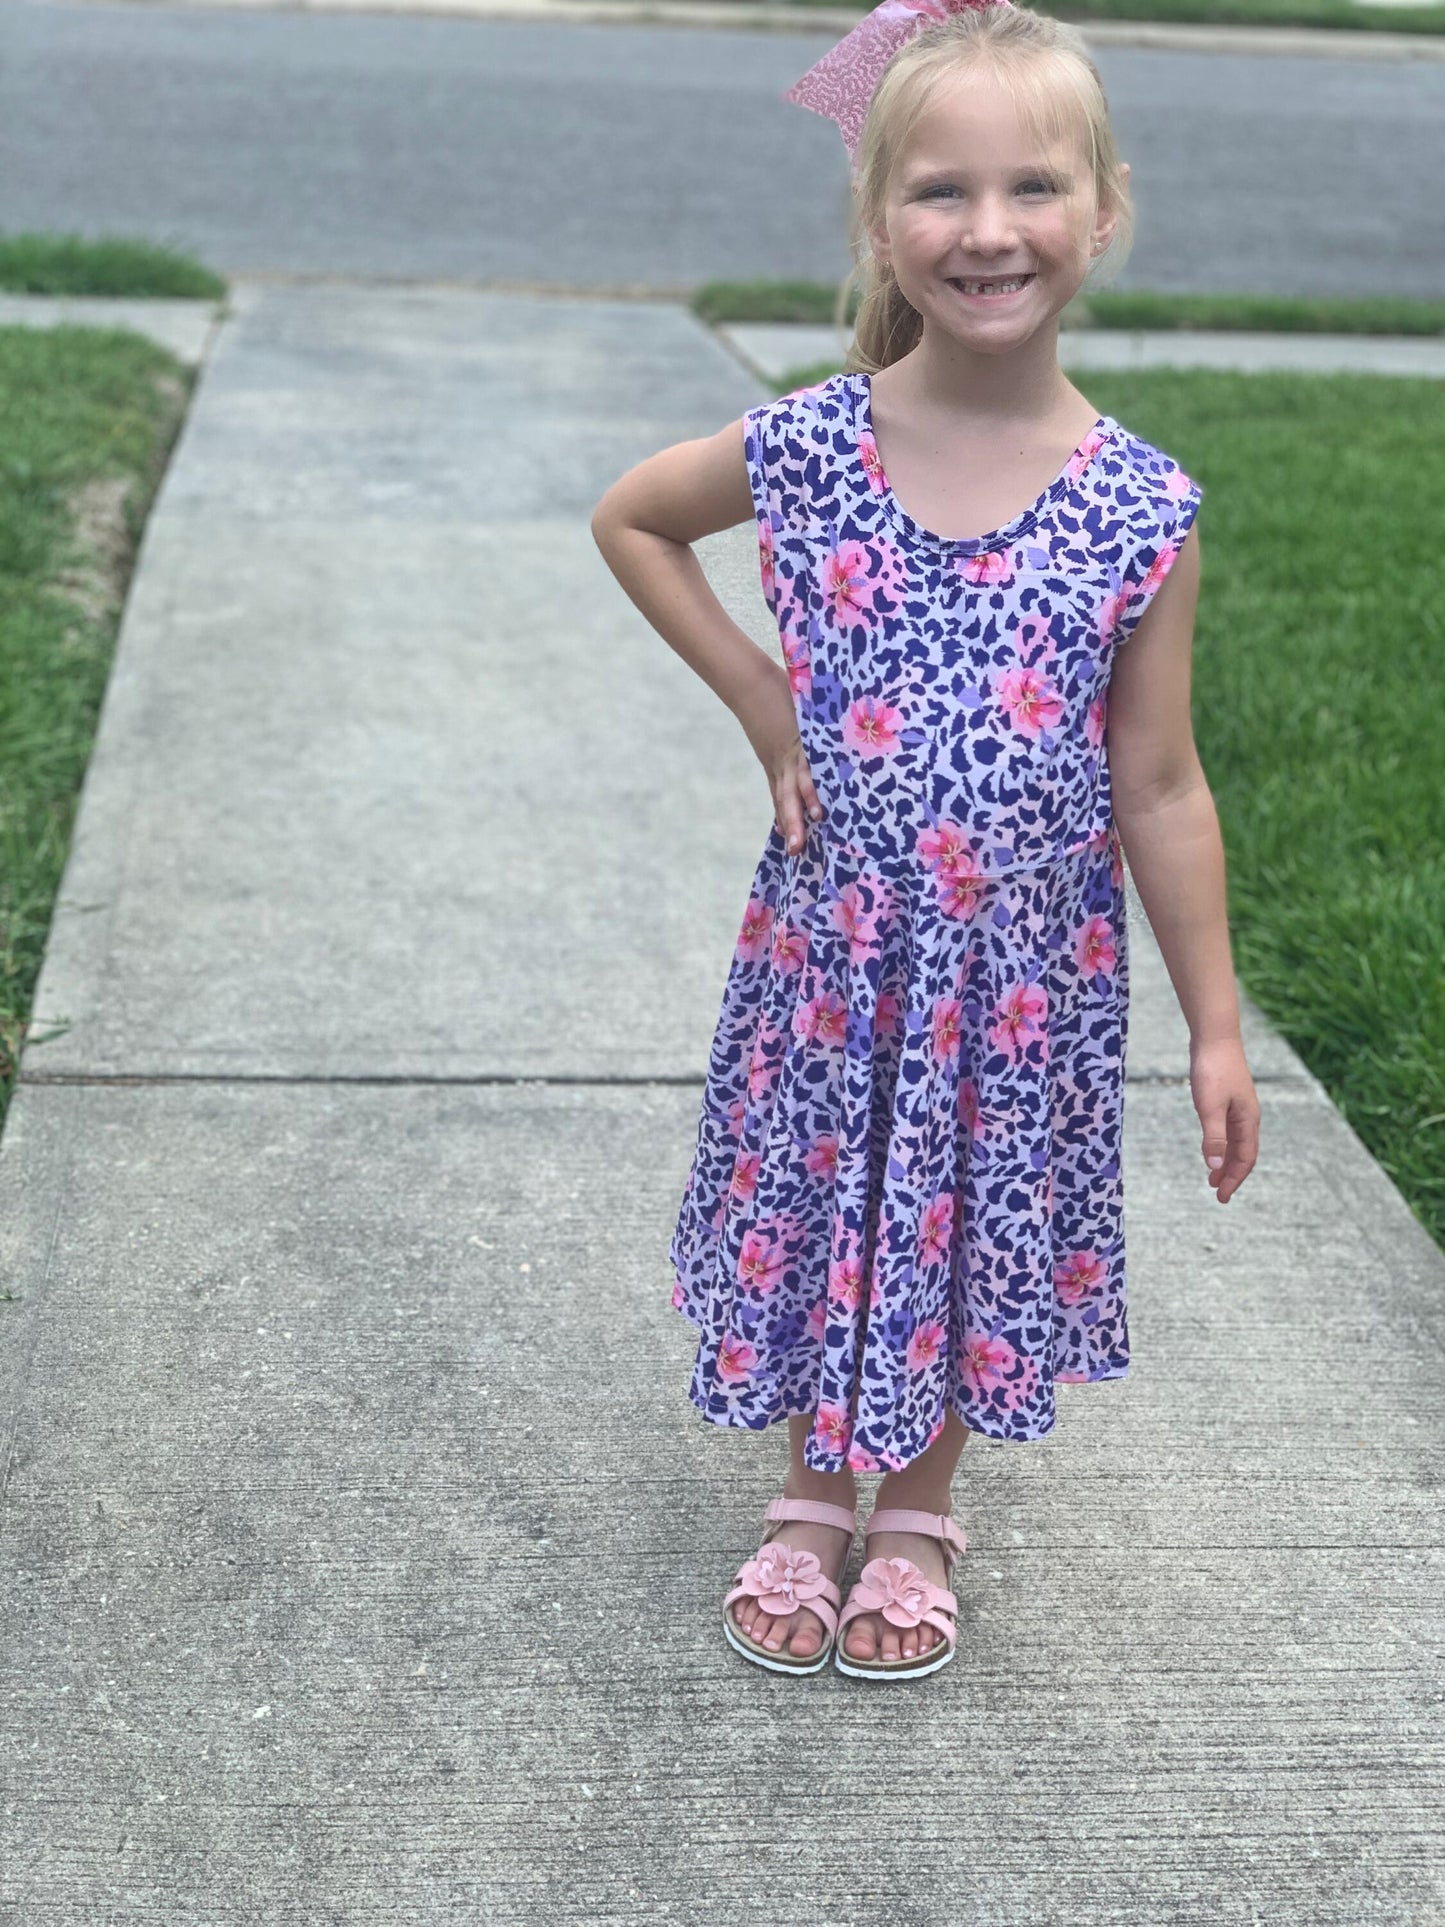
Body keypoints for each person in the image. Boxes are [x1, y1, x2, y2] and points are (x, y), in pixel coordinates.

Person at [590, 0, 1259, 1682]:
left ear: (1103, 207)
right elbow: (634, 519)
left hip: (1020, 984)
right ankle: (816, 1488)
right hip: (834, 958)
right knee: (829, 1201)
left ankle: (920, 1507)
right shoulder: (814, 448)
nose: (986, 231)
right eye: (939, 193)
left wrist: (1219, 1021)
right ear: (879, 217)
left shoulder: (1137, 506)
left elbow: (1159, 784)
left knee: (968, 1220)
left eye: (1031, 187)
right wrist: (760, 696)